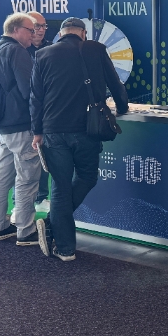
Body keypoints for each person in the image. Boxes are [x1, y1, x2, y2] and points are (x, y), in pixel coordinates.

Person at [30, 17, 129, 262]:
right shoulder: (96, 49)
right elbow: (115, 84)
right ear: (83, 33)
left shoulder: (43, 54)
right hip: (88, 129)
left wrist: (37, 131)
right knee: (87, 177)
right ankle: (53, 223)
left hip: (53, 130)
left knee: (60, 186)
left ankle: (65, 248)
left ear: (61, 33)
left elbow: (36, 98)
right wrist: (122, 108)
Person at [0, 13, 41, 246]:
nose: (34, 34)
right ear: (16, 29)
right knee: (27, 177)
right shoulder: (18, 52)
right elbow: (29, 90)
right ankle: (25, 229)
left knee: (3, 176)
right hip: (20, 124)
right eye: (31, 30)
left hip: (3, 123)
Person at [27, 11, 52, 214]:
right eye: (37, 26)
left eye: (44, 26)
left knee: (43, 157)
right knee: (23, 164)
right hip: (22, 114)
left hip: (46, 112)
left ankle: (41, 197)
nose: (41, 30)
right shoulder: (19, 49)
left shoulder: (52, 49)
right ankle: (20, 204)